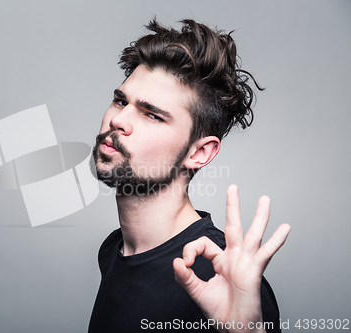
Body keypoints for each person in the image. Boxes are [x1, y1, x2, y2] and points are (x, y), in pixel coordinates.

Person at [88, 19, 291, 333]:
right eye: (120, 101)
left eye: (152, 114)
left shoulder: (221, 274)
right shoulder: (113, 250)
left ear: (199, 153)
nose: (119, 120)